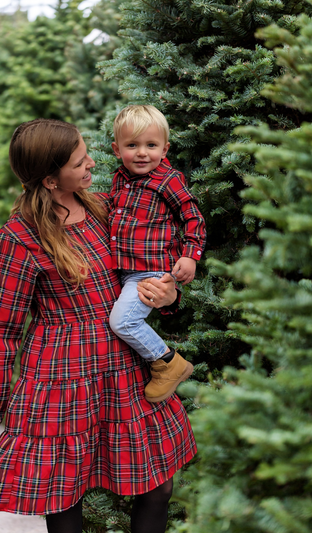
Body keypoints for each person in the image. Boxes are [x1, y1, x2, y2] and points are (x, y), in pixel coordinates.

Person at [0, 118, 197, 533]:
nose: (93, 162)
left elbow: (141, 273)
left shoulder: (103, 207)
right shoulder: (19, 238)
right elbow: (0, 335)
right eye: (79, 161)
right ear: (50, 180)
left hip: (122, 366)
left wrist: (168, 294)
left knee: (157, 487)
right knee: (63, 496)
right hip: (63, 375)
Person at [108, 105, 207, 403]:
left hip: (151, 270)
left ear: (164, 149)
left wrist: (190, 255)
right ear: (116, 149)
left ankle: (167, 362)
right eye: (132, 145)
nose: (142, 153)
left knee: (123, 323)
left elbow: (193, 217)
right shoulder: (120, 178)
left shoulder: (168, 179)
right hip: (127, 270)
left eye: (151, 145)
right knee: (120, 320)